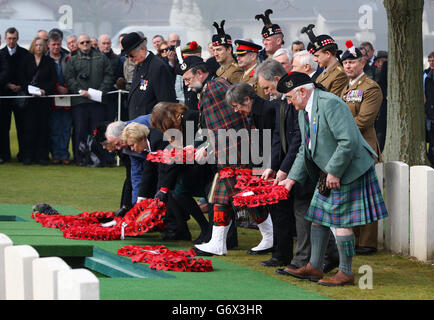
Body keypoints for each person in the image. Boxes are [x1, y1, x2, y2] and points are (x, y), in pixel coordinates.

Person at [275, 71, 388, 286]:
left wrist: (334, 171)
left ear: (301, 91)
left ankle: (345, 272)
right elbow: (304, 148)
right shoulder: (304, 110)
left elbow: (348, 141)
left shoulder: (331, 103)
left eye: (290, 97)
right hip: (327, 170)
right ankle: (315, 267)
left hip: (349, 169)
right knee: (317, 217)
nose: (289, 103)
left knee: (341, 222)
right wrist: (291, 179)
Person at [180, 55, 246, 256]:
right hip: (227, 151)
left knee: (247, 201)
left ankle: (268, 240)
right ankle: (219, 242)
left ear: (199, 73)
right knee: (220, 198)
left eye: (188, 79)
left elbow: (226, 126)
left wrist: (207, 148)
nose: (186, 84)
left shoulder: (214, 88)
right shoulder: (210, 88)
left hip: (234, 152)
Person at [340, 40, 383, 255]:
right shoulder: (345, 87)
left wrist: (339, 130)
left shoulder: (370, 87)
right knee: (352, 194)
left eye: (352, 62)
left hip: (364, 146)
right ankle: (355, 238)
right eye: (345, 63)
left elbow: (364, 119)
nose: (348, 66)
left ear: (362, 63)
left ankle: (367, 242)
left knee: (366, 194)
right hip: (348, 147)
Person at [225, 81, 277, 255]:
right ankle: (269, 238)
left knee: (277, 206)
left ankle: (274, 242)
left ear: (247, 100)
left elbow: (272, 142)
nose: (235, 110)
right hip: (260, 160)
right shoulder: (256, 112)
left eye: (236, 105)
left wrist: (268, 167)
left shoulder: (267, 111)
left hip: (272, 163)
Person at [150, 102, 212, 243]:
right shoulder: (180, 126)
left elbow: (206, 138)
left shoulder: (191, 118)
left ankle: (208, 229)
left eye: (163, 128)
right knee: (178, 192)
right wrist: (164, 188)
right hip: (196, 164)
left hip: (208, 161)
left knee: (181, 192)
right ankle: (205, 228)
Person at [63, 34, 114, 166]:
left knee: (97, 131)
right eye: (82, 42)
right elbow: (69, 78)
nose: (85, 44)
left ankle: (97, 157)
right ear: (78, 44)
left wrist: (100, 91)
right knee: (80, 130)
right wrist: (79, 90)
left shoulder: (101, 58)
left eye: (87, 42)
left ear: (91, 43)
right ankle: (80, 158)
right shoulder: (72, 60)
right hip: (80, 102)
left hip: (97, 102)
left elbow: (109, 75)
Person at [121, 32, 177, 119]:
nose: (130, 59)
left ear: (142, 49)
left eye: (131, 55)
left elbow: (166, 102)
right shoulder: (139, 64)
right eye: (127, 56)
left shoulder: (158, 67)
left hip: (151, 125)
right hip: (138, 124)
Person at [21, 37, 57, 165]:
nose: (38, 47)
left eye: (41, 45)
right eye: (36, 45)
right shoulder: (26, 60)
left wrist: (44, 90)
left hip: (43, 101)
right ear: (32, 46)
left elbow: (53, 80)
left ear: (45, 47)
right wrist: (29, 90)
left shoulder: (49, 61)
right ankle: (27, 156)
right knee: (29, 129)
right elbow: (22, 79)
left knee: (43, 128)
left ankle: (42, 156)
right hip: (30, 101)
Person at [104, 114, 151, 206]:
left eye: (117, 144)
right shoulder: (128, 144)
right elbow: (136, 174)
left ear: (122, 134)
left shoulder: (144, 126)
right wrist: (136, 204)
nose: (118, 148)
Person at [0, 27, 30, 163]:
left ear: (17, 39)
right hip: (4, 95)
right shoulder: (0, 54)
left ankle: (23, 155)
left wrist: (21, 86)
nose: (11, 41)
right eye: (9, 38)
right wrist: (7, 85)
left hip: (21, 95)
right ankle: (4, 155)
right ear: (5, 39)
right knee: (3, 127)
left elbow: (29, 74)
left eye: (14, 38)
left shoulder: (25, 54)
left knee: (22, 127)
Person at [47, 31, 72, 165]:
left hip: (67, 97)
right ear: (49, 44)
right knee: (55, 128)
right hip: (53, 99)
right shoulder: (46, 58)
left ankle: (64, 154)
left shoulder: (67, 58)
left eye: (58, 44)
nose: (56, 47)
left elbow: (72, 74)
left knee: (66, 128)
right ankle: (56, 154)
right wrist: (57, 87)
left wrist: (67, 87)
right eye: (53, 44)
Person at [301, 24, 348, 96]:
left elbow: (333, 102)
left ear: (328, 54)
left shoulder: (340, 74)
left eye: (317, 56)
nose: (315, 60)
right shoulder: (324, 73)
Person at [98, 34, 123, 122]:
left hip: (111, 97)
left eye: (108, 43)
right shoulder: (93, 58)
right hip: (96, 97)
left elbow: (120, 75)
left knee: (110, 123)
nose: (106, 46)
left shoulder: (117, 59)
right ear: (98, 44)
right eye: (104, 43)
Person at [424, 51, 434, 166]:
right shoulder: (427, 77)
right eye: (430, 60)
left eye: (433, 60)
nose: (431, 63)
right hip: (430, 115)